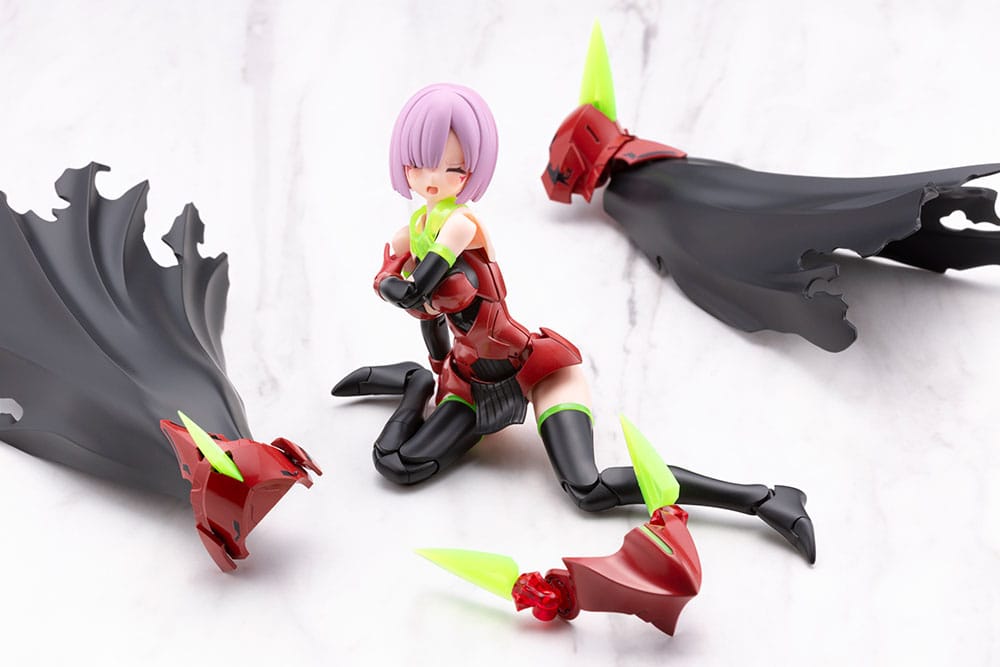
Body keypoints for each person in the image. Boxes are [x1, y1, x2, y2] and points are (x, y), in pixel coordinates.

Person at [334, 83, 816, 562]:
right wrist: (436, 368)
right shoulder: (414, 231)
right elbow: (411, 301)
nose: (433, 178)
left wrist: (394, 285)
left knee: (588, 488)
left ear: (471, 172)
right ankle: (415, 384)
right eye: (419, 163)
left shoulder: (462, 226)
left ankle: (763, 498)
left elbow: (412, 292)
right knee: (395, 464)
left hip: (535, 370)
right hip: (470, 380)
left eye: (453, 168)